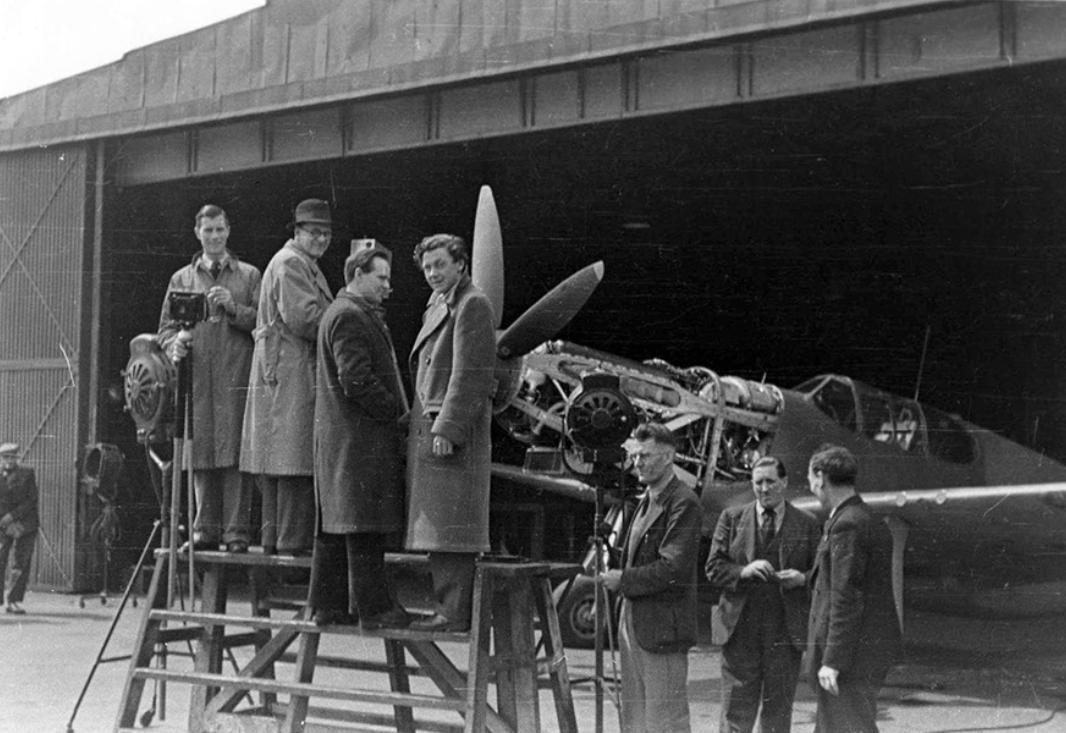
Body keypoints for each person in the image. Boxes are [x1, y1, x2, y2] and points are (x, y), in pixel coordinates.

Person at [308, 246, 410, 629]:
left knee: (338, 524)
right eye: (381, 277)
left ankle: (327, 606)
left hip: (344, 442)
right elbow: (356, 380)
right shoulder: (351, 316)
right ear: (358, 274)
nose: (388, 286)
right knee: (362, 523)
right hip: (359, 442)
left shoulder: (344, 313)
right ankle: (376, 609)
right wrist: (396, 414)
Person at [406, 233, 497, 632]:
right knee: (440, 525)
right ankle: (448, 609)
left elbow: (470, 375)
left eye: (440, 265)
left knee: (453, 527)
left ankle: (453, 612)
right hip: (433, 429)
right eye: (427, 267)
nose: (432, 274)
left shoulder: (472, 304)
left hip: (448, 433)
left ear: (461, 264)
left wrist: (450, 427)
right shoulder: (442, 303)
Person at [159, 204, 261, 553]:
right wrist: (176, 346)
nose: (214, 236)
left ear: (228, 231)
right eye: (208, 230)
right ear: (197, 233)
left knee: (235, 455)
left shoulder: (249, 276)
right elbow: (165, 331)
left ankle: (236, 533)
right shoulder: (180, 279)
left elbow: (265, 324)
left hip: (236, 375)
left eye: (220, 230)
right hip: (199, 379)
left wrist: (234, 307)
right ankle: (205, 530)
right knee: (200, 452)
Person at [241, 199, 334, 556]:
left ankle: (275, 544)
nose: (321, 239)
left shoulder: (299, 263)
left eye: (325, 233)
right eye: (314, 232)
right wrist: (346, 318)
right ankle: (291, 548)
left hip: (283, 370)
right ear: (297, 232)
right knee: (293, 461)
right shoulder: (292, 264)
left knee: (279, 462)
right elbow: (306, 318)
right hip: (290, 370)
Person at [597, 422, 702, 733]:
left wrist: (623, 579)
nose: (637, 462)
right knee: (636, 721)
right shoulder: (647, 498)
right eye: (635, 455)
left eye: (645, 455)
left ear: (668, 457)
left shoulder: (683, 502)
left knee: (665, 722)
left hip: (661, 632)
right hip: (634, 622)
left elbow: (673, 569)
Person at [706, 455, 821, 733]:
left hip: (784, 632)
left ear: (784, 483)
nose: (764, 488)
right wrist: (744, 571)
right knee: (735, 715)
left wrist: (801, 579)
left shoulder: (806, 523)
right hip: (739, 633)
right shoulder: (732, 518)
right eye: (758, 482)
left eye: (770, 481)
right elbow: (713, 568)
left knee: (777, 716)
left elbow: (820, 575)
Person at [806, 444, 902, 733]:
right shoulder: (864, 517)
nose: (810, 486)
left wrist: (833, 661)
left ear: (821, 477)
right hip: (863, 651)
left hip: (851, 658)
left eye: (810, 478)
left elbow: (846, 596)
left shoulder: (846, 524)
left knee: (850, 726)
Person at [0, 443, 39, 615]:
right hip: (3, 524)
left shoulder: (27, 473)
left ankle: (13, 601)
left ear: (17, 458)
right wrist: (5, 521)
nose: (9, 461)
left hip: (25, 523)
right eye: (5, 457)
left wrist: (13, 517)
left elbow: (31, 500)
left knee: (21, 562)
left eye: (12, 457)